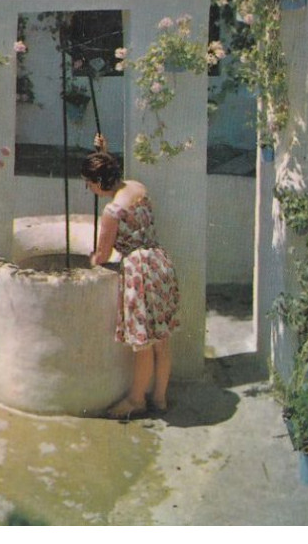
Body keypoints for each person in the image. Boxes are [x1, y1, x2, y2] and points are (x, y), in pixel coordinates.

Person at [81, 135, 180, 419]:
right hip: (160, 263)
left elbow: (102, 255)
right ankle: (159, 398)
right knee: (162, 340)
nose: (89, 188)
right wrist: (103, 153)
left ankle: (136, 400)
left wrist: (91, 261)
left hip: (139, 272)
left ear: (99, 183)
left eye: (89, 183)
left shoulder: (112, 212)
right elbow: (117, 180)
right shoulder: (137, 187)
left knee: (143, 344)